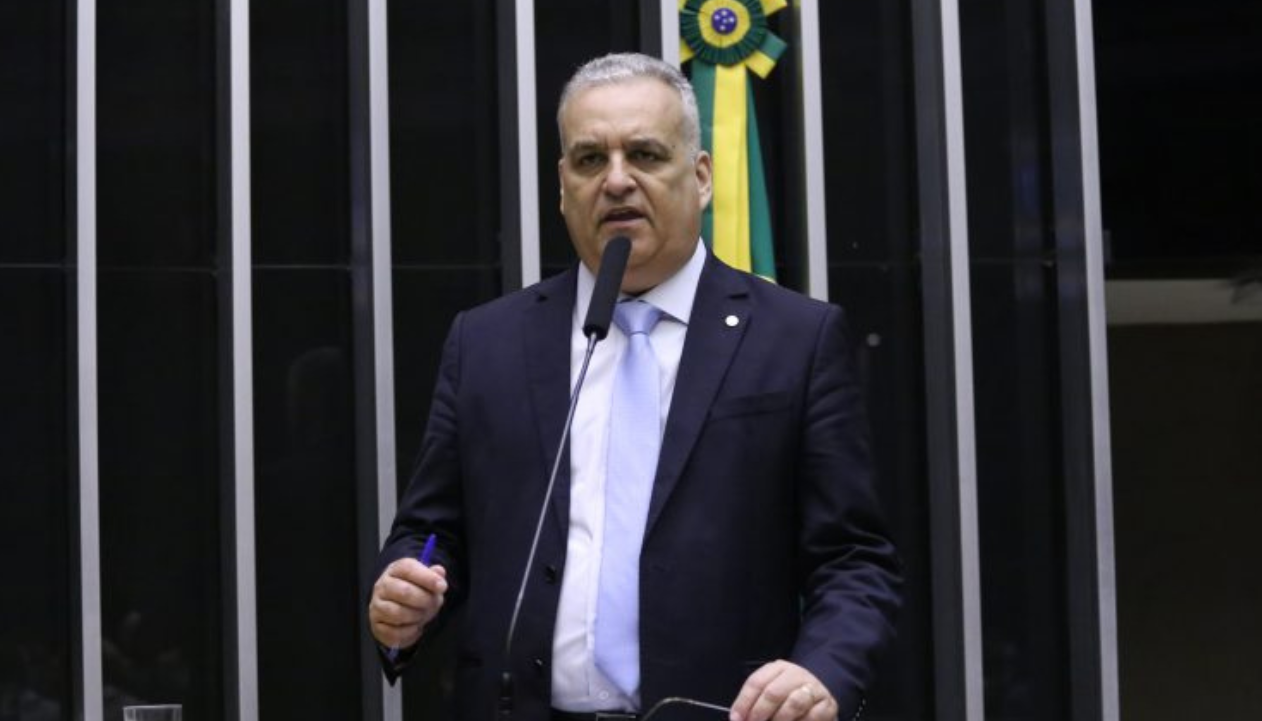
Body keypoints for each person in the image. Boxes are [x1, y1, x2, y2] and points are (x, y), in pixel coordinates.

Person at [368, 53, 901, 721]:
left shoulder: (796, 340)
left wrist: (822, 669)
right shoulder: (487, 342)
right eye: (591, 160)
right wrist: (404, 593)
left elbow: (854, 560)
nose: (617, 180)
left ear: (700, 177)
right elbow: (430, 532)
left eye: (645, 155)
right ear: (563, 186)